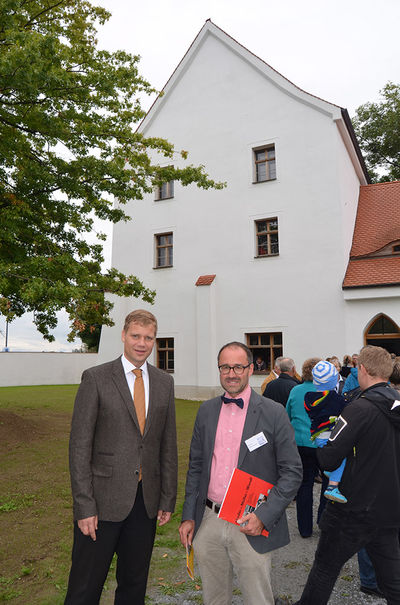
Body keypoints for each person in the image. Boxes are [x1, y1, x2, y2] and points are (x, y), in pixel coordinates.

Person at [64, 309, 178, 605]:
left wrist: (167, 498)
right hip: (101, 504)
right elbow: (79, 447)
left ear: (154, 340)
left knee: (134, 586)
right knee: (84, 588)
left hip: (145, 503)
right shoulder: (96, 378)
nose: (142, 343)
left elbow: (167, 444)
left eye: (148, 338)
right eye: (136, 336)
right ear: (124, 336)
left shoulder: (164, 382)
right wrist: (84, 505)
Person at [179, 341, 302, 605]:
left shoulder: (274, 412)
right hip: (209, 520)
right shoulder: (206, 411)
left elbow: (292, 472)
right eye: (225, 367)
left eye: (238, 367)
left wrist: (264, 516)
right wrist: (189, 516)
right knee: (214, 598)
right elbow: (196, 466)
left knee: (258, 599)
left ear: (250, 369)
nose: (231, 373)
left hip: (250, 521)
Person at [293, 345, 400, 605]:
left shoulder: (358, 409)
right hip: (388, 507)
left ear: (362, 369)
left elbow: (329, 458)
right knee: (393, 580)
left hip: (352, 507)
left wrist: (321, 439)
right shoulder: (392, 404)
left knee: (325, 569)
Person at [286, 357, 327, 538]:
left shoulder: (296, 390)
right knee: (327, 481)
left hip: (301, 442)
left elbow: (288, 414)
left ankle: (305, 528)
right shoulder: (325, 391)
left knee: (304, 484)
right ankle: (322, 519)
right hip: (320, 443)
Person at [304, 360, 347, 503]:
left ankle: (330, 471)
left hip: (317, 436)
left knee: (329, 457)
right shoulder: (334, 398)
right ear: (333, 380)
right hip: (330, 435)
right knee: (341, 458)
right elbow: (345, 410)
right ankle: (332, 487)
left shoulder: (309, 397)